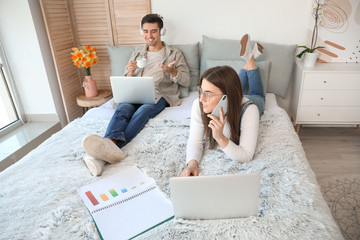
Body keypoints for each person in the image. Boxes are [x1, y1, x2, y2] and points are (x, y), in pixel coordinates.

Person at [82, 14, 190, 176]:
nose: (149, 35)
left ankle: (105, 151)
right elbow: (126, 80)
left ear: (161, 31)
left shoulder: (174, 53)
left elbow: (187, 81)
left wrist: (172, 71)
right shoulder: (137, 53)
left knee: (142, 112)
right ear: (142, 32)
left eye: (153, 31)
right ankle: (109, 147)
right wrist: (130, 71)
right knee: (123, 109)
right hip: (134, 92)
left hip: (159, 95)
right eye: (146, 31)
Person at [181, 34, 265, 177]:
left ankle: (250, 59)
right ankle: (250, 57)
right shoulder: (199, 104)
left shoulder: (250, 110)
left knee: (259, 95)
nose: (201, 99)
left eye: (208, 93)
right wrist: (192, 163)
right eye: (201, 91)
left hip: (250, 100)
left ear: (226, 97)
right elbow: (195, 142)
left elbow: (246, 155)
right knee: (234, 85)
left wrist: (220, 138)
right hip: (233, 94)